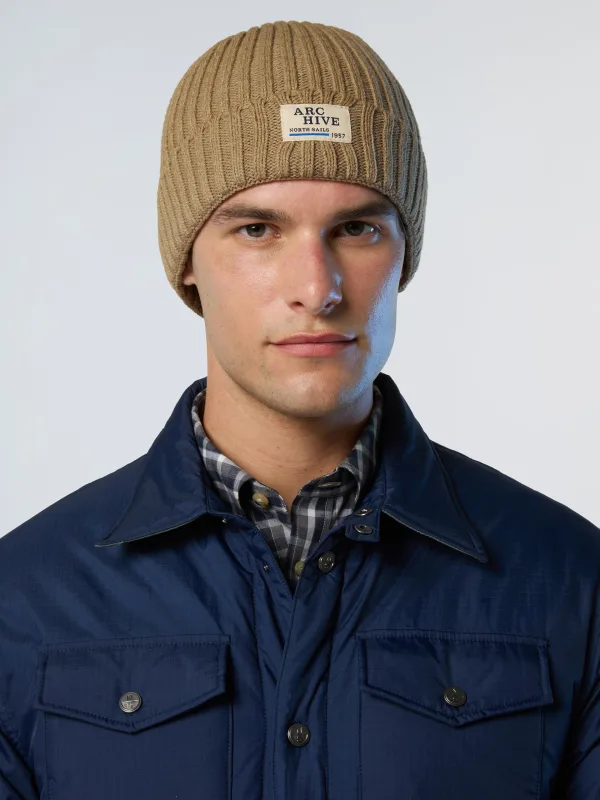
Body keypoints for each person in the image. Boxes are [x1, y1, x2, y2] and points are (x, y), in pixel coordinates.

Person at [1, 19, 599, 800]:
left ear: (403, 255)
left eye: (357, 229)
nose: (317, 288)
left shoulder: (572, 582)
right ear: (187, 260)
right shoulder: (24, 598)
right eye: (257, 229)